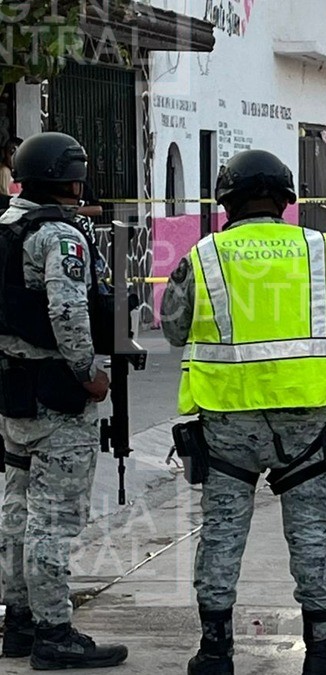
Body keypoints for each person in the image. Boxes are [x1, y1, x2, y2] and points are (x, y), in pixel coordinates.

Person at [160, 149, 326, 675]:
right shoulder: (319, 250)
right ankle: (322, 650)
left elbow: (172, 328)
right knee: (313, 535)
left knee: (222, 533)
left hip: (227, 421)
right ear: (284, 200)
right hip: (305, 421)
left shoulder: (204, 255)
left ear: (227, 201)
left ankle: (214, 653)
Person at [0, 132, 128, 668]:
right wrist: (89, 373)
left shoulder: (4, 226)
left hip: (13, 391)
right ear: (65, 178)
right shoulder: (59, 235)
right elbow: (69, 312)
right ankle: (54, 632)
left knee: (15, 509)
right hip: (57, 394)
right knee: (51, 519)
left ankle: (20, 623)